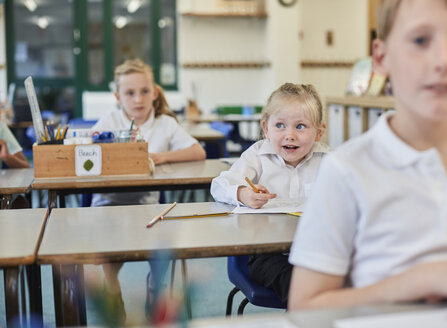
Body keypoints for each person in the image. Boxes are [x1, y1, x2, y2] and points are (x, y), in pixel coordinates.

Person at [289, 0, 447, 324]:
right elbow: (305, 309)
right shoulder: (346, 170)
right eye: (420, 40)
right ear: (382, 58)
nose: (443, 61)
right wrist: (423, 279)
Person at [91, 58, 206, 322]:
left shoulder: (165, 124)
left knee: (161, 253)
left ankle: (154, 294)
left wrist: (157, 156)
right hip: (106, 207)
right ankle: (114, 299)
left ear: (154, 93)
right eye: (130, 93)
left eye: (144, 91)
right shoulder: (109, 120)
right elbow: (89, 153)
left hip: (148, 209)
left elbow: (198, 151)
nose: (138, 99)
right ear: (118, 96)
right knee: (107, 261)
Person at [211, 83, 329, 304]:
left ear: (319, 132)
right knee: (299, 286)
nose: (290, 135)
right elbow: (219, 185)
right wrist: (243, 193)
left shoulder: (329, 161)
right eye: (280, 125)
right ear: (266, 128)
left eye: (301, 126)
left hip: (316, 249)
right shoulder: (257, 155)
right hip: (267, 254)